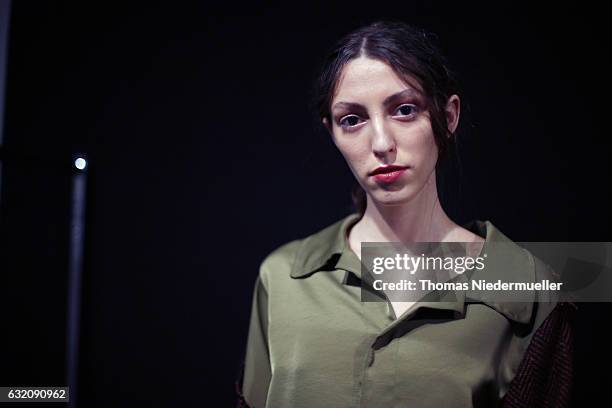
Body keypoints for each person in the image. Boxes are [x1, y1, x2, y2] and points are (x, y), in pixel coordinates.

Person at [236, 20, 574, 408]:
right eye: (352, 119)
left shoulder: (530, 291)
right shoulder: (281, 277)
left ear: (448, 117)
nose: (381, 143)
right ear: (332, 133)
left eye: (405, 110)